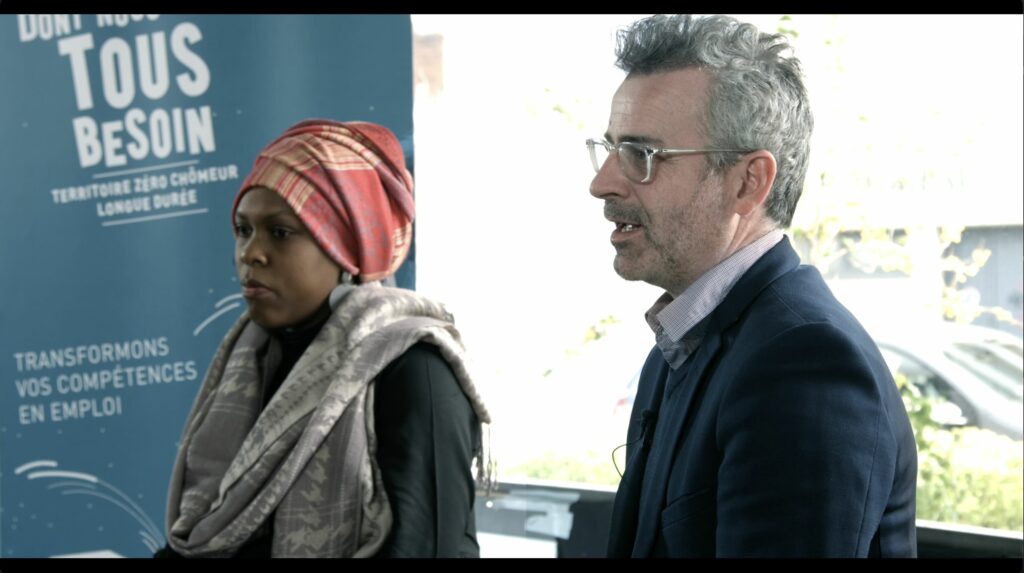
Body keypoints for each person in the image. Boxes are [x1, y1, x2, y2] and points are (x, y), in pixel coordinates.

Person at [588, 15, 917, 557]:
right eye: (609, 148)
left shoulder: (804, 360)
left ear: (748, 181)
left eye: (641, 155)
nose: (601, 182)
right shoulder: (682, 345)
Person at [157, 119, 490, 558]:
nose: (250, 253)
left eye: (280, 232)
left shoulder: (415, 369)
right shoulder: (251, 360)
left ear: (345, 247)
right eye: (243, 230)